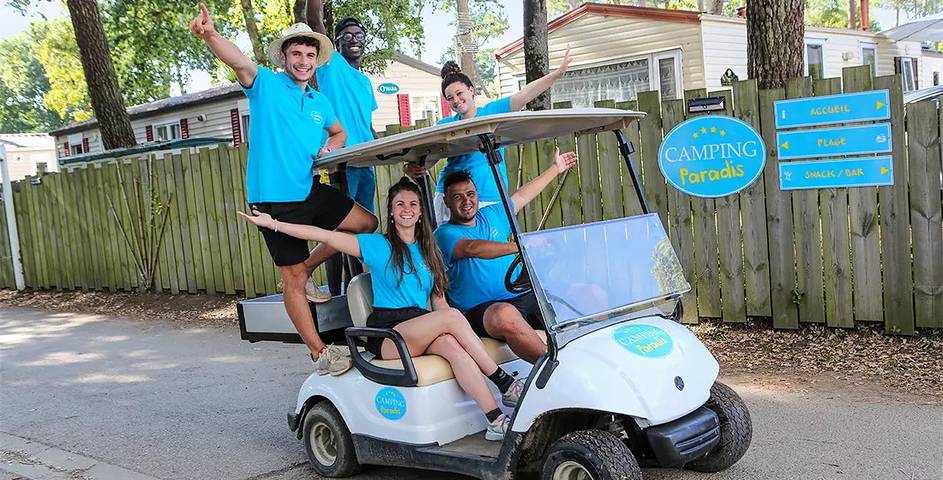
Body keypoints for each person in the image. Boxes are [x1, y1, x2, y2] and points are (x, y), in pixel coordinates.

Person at [239, 178, 525, 441]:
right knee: (451, 319)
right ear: (390, 211)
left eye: (413, 204)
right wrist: (274, 224)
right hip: (388, 332)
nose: (407, 209)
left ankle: (495, 420)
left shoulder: (430, 251)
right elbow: (322, 235)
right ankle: (504, 383)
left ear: (421, 212)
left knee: (452, 344)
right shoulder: (376, 245)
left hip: (418, 325)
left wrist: (461, 332)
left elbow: (438, 302)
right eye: (400, 204)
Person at [190, 3, 378, 373]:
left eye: (309, 54)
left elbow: (339, 132)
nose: (303, 60)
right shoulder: (266, 85)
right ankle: (319, 352)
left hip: (309, 190)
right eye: (296, 54)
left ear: (316, 59)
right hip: (273, 201)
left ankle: (306, 268)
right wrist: (210, 35)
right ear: (285, 57)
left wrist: (330, 148)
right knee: (291, 277)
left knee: (367, 225)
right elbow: (240, 62)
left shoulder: (319, 102)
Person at [434, 149, 577, 363]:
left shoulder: (492, 215)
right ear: (446, 201)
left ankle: (594, 360)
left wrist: (555, 169)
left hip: (522, 295)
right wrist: (520, 247)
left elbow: (522, 195)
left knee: (582, 294)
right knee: (505, 315)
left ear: (477, 195)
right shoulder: (444, 234)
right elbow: (472, 248)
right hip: (480, 311)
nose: (466, 201)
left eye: (470, 194)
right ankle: (557, 371)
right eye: (457, 197)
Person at [405, 48, 572, 224]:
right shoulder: (445, 125)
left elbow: (524, 95)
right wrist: (414, 169)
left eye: (459, 93)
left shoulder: (492, 112)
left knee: (488, 246)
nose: (456, 100)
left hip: (489, 194)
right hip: (451, 197)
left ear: (471, 90)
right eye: (450, 97)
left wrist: (557, 74)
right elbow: (428, 160)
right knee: (449, 247)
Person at [305, 1, 379, 296]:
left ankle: (358, 292)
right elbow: (315, 23)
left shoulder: (365, 82)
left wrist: (384, 151)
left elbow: (367, 124)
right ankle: (334, 294)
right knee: (341, 228)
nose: (354, 39)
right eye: (347, 35)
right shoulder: (332, 66)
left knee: (365, 228)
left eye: (359, 34)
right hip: (343, 163)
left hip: (366, 162)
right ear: (335, 44)